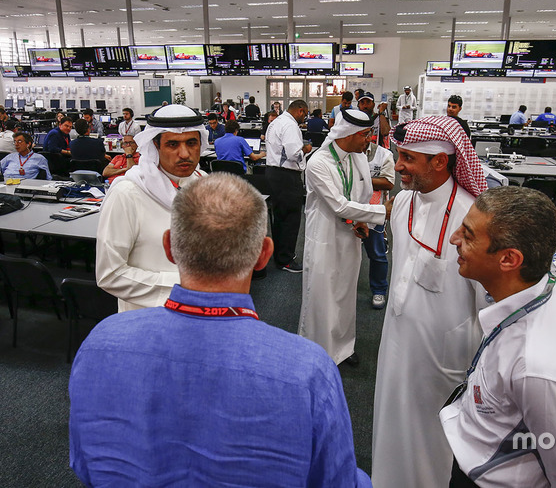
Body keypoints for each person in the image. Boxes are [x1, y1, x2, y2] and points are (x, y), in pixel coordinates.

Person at [70, 174, 372, 488]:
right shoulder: (308, 370)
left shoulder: (100, 345)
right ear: (263, 255)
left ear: (170, 247)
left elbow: (86, 464)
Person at [442, 187, 556, 487]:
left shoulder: (538, 367)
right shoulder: (545, 290)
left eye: (468, 236)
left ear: (509, 259)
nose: (455, 239)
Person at [372, 115, 489, 488]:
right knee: (389, 426)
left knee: (433, 445)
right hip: (395, 343)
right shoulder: (404, 203)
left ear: (440, 161)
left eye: (407, 157)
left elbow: (490, 305)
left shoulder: (473, 216)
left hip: (444, 359)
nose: (398, 165)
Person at [96, 104, 208, 312]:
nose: (184, 154)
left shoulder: (205, 184)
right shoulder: (127, 193)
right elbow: (109, 274)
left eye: (192, 143)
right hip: (148, 319)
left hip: (202, 312)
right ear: (154, 147)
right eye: (172, 144)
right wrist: (183, 286)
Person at [299, 109, 386, 366]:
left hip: (350, 235)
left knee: (345, 293)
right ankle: (319, 351)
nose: (368, 140)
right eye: (365, 135)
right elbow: (338, 205)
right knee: (322, 295)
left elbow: (359, 194)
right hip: (324, 236)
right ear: (348, 134)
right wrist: (382, 212)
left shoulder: (356, 157)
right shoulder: (319, 163)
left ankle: (343, 348)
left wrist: (360, 220)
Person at [356, 91, 395, 310]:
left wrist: (360, 179)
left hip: (375, 210)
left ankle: (379, 289)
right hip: (351, 211)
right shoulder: (349, 153)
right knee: (346, 253)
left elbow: (389, 183)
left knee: (377, 255)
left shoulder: (383, 155)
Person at [265, 99, 311, 272]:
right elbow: (293, 154)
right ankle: (285, 260)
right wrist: (305, 149)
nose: (304, 118)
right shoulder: (290, 125)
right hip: (286, 176)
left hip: (274, 173)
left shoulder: (276, 122)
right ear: (300, 110)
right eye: (305, 114)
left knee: (281, 217)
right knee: (291, 219)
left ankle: (279, 255)